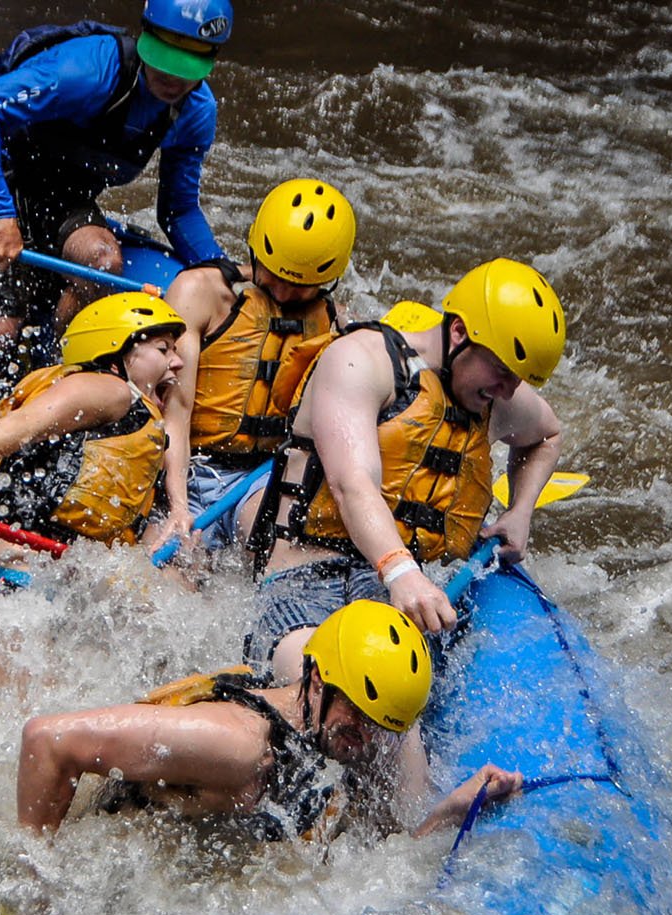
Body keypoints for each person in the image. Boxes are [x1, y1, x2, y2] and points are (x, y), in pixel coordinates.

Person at [242, 258, 567, 684]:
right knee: (339, 689)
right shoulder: (361, 360)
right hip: (307, 581)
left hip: (405, 591)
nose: (507, 391)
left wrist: (520, 510)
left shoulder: (495, 397)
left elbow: (547, 436)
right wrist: (400, 571)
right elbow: (351, 484)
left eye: (519, 379)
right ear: (458, 333)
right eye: (503, 372)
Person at [17, 600, 522, 839]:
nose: (364, 738)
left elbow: (379, 864)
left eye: (380, 727)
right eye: (357, 716)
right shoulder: (235, 744)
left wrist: (454, 808)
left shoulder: (325, 739)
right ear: (319, 679)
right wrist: (35, 887)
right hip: (113, 846)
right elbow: (48, 740)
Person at [0, 0, 233, 378]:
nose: (172, 77)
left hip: (58, 191)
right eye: (164, 57)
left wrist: (221, 270)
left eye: (187, 66)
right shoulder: (89, 70)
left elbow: (178, 210)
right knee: (0, 330)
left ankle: (49, 369)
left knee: (103, 263)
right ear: (146, 34)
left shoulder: (195, 112)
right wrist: (1, 213)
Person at [0, 292, 185, 586]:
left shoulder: (136, 423)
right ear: (116, 360)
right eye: (163, 349)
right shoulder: (111, 389)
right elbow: (27, 423)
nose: (178, 362)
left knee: (175, 583)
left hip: (58, 562)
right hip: (19, 556)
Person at [146, 178, 356, 555]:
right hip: (193, 467)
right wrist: (178, 506)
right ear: (255, 249)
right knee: (178, 567)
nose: (283, 293)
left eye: (301, 286)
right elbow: (175, 411)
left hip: (262, 476)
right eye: (274, 276)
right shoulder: (202, 293)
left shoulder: (334, 322)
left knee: (266, 552)